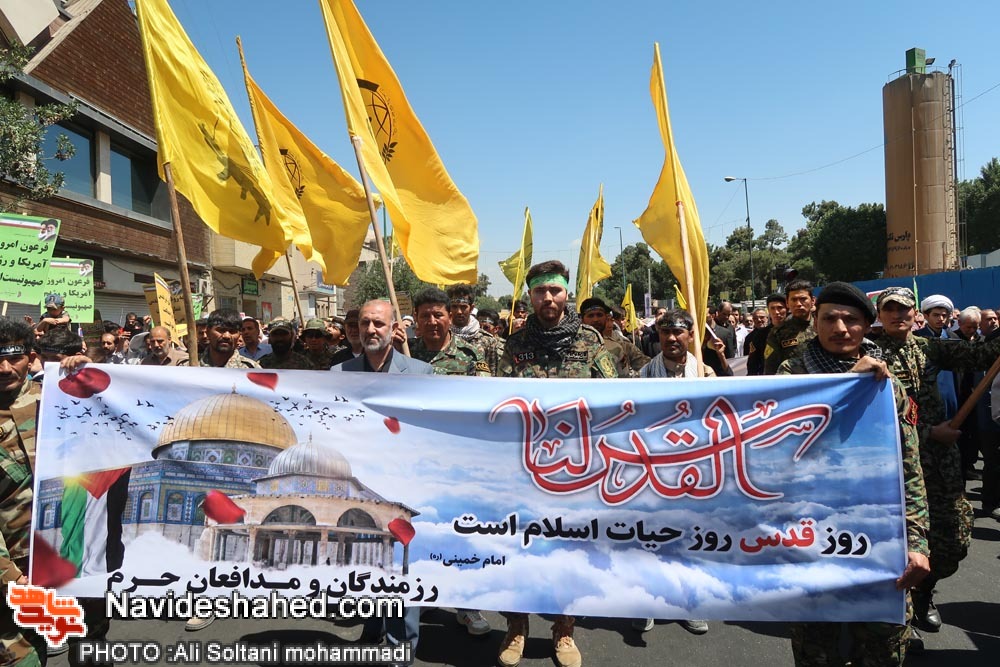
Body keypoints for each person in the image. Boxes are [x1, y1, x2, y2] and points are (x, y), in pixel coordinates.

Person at [777, 283, 930, 666]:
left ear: (866, 325)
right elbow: (779, 448)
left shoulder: (885, 383)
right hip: (809, 536)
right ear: (815, 321)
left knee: (883, 648)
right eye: (830, 318)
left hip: (877, 536)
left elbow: (908, 466)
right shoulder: (790, 374)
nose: (841, 328)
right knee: (817, 650)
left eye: (851, 320)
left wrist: (917, 542)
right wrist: (848, 384)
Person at [497, 260, 617, 667]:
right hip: (524, 467)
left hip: (576, 468)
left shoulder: (589, 341)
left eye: (555, 290)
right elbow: (497, 403)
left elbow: (616, 396)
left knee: (569, 551)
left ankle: (564, 630)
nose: (548, 298)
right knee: (519, 548)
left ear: (567, 293)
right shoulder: (514, 346)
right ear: (529, 296)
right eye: (540, 291)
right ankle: (516, 627)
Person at [871, 287, 1000, 636]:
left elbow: (982, 355)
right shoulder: (869, 355)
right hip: (893, 464)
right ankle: (899, 612)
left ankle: (924, 592)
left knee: (953, 538)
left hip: (940, 463)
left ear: (915, 315)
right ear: (879, 315)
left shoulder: (930, 348)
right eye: (890, 309)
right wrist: (929, 432)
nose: (897, 315)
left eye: (904, 309)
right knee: (896, 542)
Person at [331, 300, 429, 650]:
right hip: (361, 484)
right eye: (364, 323)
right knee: (367, 561)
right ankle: (372, 631)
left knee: (401, 567)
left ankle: (401, 647)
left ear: (394, 328)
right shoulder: (339, 372)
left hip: (403, 484)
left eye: (378, 324)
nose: (371, 330)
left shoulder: (421, 373)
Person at [410, 289, 491, 378]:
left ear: (450, 318)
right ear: (416, 318)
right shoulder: (406, 351)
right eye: (425, 316)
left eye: (438, 315)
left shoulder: (471, 355)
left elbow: (482, 385)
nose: (432, 322)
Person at [949, 307, 985, 480]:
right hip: (960, 393)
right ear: (960, 323)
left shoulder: (981, 341)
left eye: (975, 327)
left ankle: (970, 463)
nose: (971, 331)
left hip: (978, 393)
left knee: (975, 432)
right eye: (968, 327)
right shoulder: (952, 340)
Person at [579, 297, 649, 377]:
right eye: (590, 316)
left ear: (605, 318)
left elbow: (624, 378)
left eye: (599, 315)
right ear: (582, 319)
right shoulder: (571, 344)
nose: (595, 319)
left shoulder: (617, 347)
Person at [447, 284, 503, 376]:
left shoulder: (488, 341)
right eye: (454, 306)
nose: (459, 311)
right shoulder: (444, 337)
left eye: (463, 307)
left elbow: (492, 376)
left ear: (472, 308)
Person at [763, 279, 815, 375]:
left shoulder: (824, 326)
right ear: (787, 303)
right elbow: (770, 369)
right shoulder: (778, 333)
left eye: (803, 299)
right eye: (794, 300)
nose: (798, 304)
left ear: (812, 301)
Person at [179, 310, 259, 370]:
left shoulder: (251, 369)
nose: (227, 336)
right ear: (208, 332)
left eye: (232, 331)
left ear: (239, 335)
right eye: (221, 330)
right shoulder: (187, 367)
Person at [745, 295, 786, 375]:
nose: (776, 312)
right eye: (772, 308)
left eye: (780, 308)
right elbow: (752, 364)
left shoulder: (795, 331)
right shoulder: (760, 335)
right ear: (768, 311)